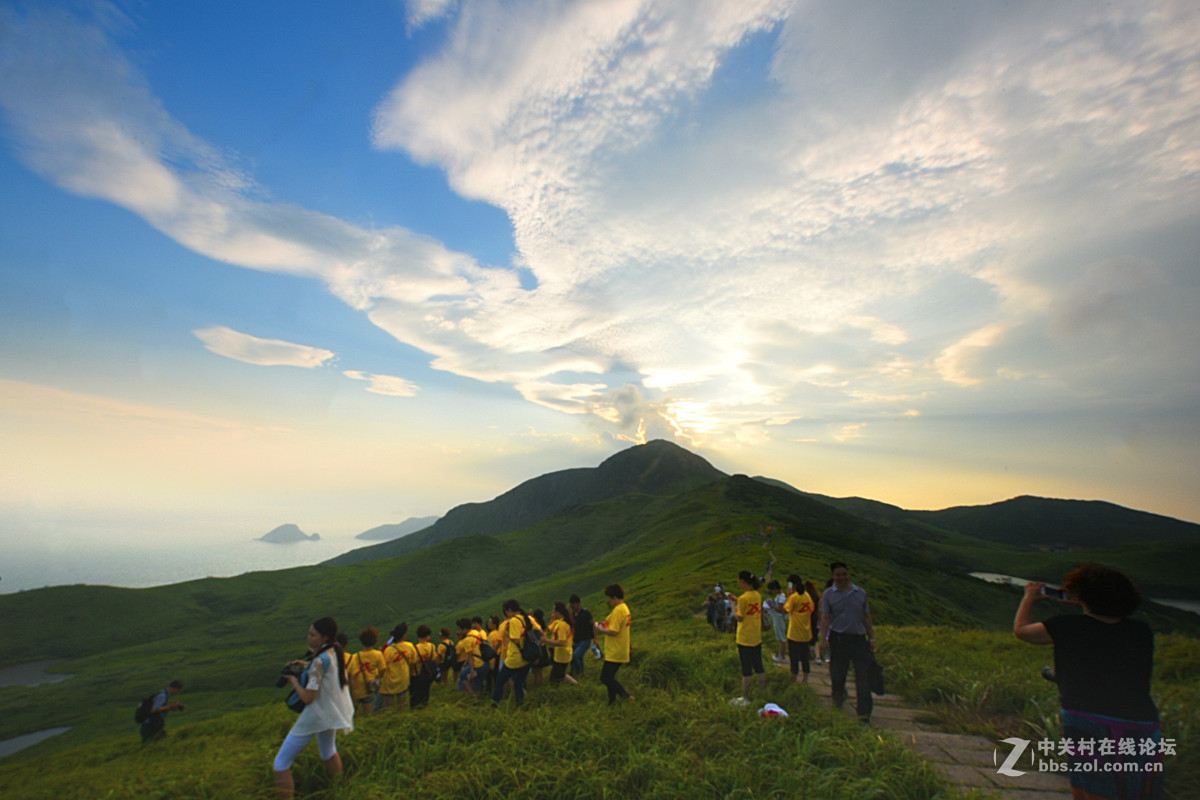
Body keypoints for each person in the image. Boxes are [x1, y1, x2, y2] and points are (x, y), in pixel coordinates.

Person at [1013, 564, 1163, 800]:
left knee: (1091, 785)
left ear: (1081, 596)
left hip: (1088, 718)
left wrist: (1029, 598)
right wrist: (1087, 603)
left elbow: (1022, 631)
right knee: (1137, 788)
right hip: (1142, 722)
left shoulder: (1066, 626)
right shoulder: (1141, 631)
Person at [273, 617, 355, 800]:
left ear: (324, 637)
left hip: (317, 714)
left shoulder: (319, 660)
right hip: (331, 712)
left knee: (281, 763)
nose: (308, 638)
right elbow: (327, 672)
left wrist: (293, 680)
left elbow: (308, 698)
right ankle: (341, 790)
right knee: (328, 751)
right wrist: (307, 666)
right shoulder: (335, 650)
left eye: (312, 635)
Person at [819, 562, 875, 723]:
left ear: (848, 574)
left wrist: (871, 638)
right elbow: (825, 617)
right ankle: (837, 706)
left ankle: (864, 715)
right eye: (838, 575)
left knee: (863, 678)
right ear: (833, 576)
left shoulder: (860, 593)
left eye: (844, 574)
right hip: (838, 639)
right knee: (838, 676)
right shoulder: (829, 594)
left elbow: (866, 616)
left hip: (859, 639)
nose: (842, 578)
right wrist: (823, 639)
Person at [728, 570, 766, 706]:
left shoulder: (744, 598)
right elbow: (748, 606)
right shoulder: (757, 595)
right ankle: (762, 693)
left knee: (746, 669)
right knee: (759, 666)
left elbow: (739, 617)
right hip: (756, 636)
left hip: (744, 637)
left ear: (743, 581)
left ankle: (745, 697)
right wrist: (737, 599)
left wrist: (733, 605)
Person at [492, 599, 537, 707]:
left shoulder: (513, 621)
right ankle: (520, 705)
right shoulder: (528, 618)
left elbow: (516, 639)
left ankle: (495, 705)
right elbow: (538, 632)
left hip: (515, 658)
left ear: (509, 610)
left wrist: (508, 633)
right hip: (527, 657)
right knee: (519, 683)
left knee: (500, 681)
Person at [594, 583, 633, 704]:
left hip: (616, 650)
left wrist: (599, 629)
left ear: (614, 597)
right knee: (609, 677)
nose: (609, 601)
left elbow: (613, 631)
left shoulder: (618, 611)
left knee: (605, 678)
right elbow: (615, 626)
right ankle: (612, 701)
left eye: (609, 598)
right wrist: (605, 624)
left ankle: (626, 697)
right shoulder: (623, 608)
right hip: (617, 649)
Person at [346, 627, 387, 716]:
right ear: (375, 641)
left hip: (356, 690)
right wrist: (377, 679)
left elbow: (352, 676)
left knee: (354, 717)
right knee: (368, 715)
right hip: (369, 689)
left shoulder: (355, 656)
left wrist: (352, 693)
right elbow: (383, 670)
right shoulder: (378, 654)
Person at [783, 574, 816, 684]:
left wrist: (788, 596)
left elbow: (786, 609)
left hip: (794, 633)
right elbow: (812, 608)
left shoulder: (794, 597)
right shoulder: (807, 596)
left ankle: (793, 679)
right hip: (806, 633)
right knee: (805, 658)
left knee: (794, 658)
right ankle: (805, 679)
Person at [380, 623, 417, 710]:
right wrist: (411, 675)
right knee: (401, 706)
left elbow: (383, 667)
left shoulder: (388, 650)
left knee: (388, 709)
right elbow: (413, 663)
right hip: (403, 679)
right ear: (403, 635)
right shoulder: (410, 646)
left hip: (389, 681)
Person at [543, 601, 580, 686]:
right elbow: (549, 628)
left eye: (554, 611)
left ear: (558, 612)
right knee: (560, 674)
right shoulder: (559, 622)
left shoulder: (562, 625)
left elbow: (561, 642)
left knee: (554, 679)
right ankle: (576, 684)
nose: (552, 612)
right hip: (561, 654)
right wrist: (552, 618)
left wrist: (546, 641)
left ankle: (574, 685)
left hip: (562, 655)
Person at [455, 617, 488, 696]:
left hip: (477, 664)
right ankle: (477, 697)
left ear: (465, 629)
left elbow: (470, 655)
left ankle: (472, 696)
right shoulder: (476, 633)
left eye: (460, 629)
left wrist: (472, 670)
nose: (459, 632)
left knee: (462, 675)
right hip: (485, 661)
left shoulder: (467, 640)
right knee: (478, 684)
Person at [410, 625, 439, 709]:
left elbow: (412, 662)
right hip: (427, 674)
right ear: (427, 635)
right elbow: (434, 659)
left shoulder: (415, 648)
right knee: (425, 694)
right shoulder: (432, 646)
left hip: (416, 675)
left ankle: (415, 711)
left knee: (415, 696)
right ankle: (424, 708)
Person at [569, 594, 595, 675]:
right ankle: (580, 672)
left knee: (576, 655)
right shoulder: (572, 615)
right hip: (576, 640)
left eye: (573, 605)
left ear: (578, 604)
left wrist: (596, 638)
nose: (572, 607)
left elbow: (593, 625)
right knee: (578, 657)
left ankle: (580, 671)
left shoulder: (586, 613)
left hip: (585, 639)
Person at [764, 579, 789, 664]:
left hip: (779, 618)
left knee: (781, 637)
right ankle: (780, 654)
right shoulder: (779, 596)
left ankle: (782, 656)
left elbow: (781, 610)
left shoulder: (781, 597)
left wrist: (772, 606)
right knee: (779, 637)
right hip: (776, 618)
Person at [804, 579, 824, 663]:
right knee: (815, 639)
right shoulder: (817, 597)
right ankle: (818, 657)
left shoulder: (806, 597)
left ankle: (807, 655)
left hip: (808, 618)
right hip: (815, 619)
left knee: (806, 637)